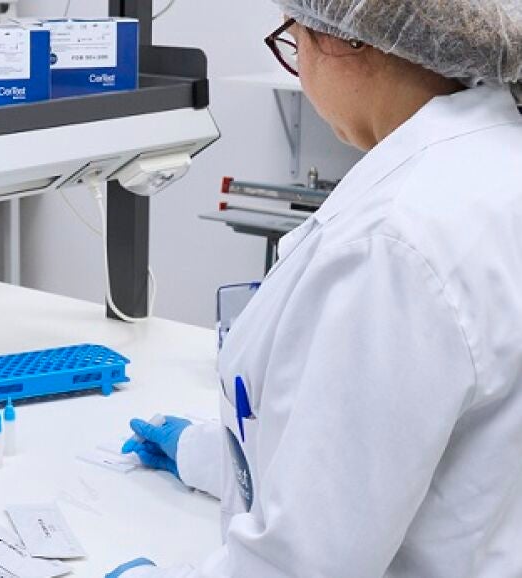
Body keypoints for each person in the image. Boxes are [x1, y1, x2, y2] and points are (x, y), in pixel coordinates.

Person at [110, 1, 522, 576]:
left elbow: (307, 561)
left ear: (349, 40)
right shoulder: (495, 161)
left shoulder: (393, 243)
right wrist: (206, 456)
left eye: (293, 40)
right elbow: (412, 451)